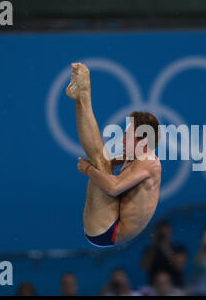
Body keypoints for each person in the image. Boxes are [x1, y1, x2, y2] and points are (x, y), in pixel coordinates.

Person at [67, 63, 162, 247]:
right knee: (101, 160)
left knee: (99, 162)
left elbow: (113, 188)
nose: (122, 140)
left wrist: (88, 170)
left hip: (109, 231)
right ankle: (79, 98)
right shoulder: (136, 154)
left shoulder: (150, 163)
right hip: (108, 222)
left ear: (143, 141)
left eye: (127, 136)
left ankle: (84, 94)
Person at [141, 220, 188, 288]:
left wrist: (165, 247)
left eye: (166, 233)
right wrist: (154, 245)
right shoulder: (150, 250)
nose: (164, 235)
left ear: (171, 233)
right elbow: (144, 267)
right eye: (162, 233)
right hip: (155, 289)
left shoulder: (178, 248)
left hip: (174, 287)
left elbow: (179, 266)